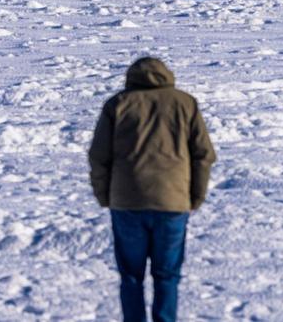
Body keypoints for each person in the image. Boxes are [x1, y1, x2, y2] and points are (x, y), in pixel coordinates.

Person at [88, 57, 216, 322]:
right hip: (173, 203)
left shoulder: (118, 104)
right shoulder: (185, 103)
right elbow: (203, 155)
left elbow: (98, 156)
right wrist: (195, 196)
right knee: (167, 275)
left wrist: (105, 196)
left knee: (131, 276)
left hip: (126, 203)